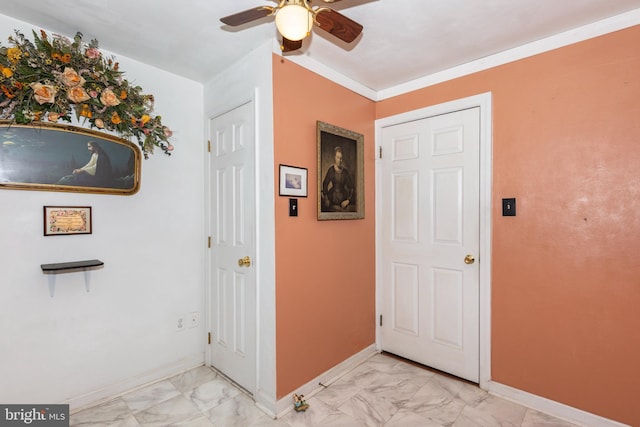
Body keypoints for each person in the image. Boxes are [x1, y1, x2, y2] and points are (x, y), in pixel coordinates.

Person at [321, 146, 355, 212]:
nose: (339, 160)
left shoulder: (345, 172)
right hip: (331, 198)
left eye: (341, 158)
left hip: (343, 198)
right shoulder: (331, 170)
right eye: (338, 158)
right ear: (335, 158)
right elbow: (325, 183)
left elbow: (351, 188)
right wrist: (326, 198)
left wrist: (348, 200)